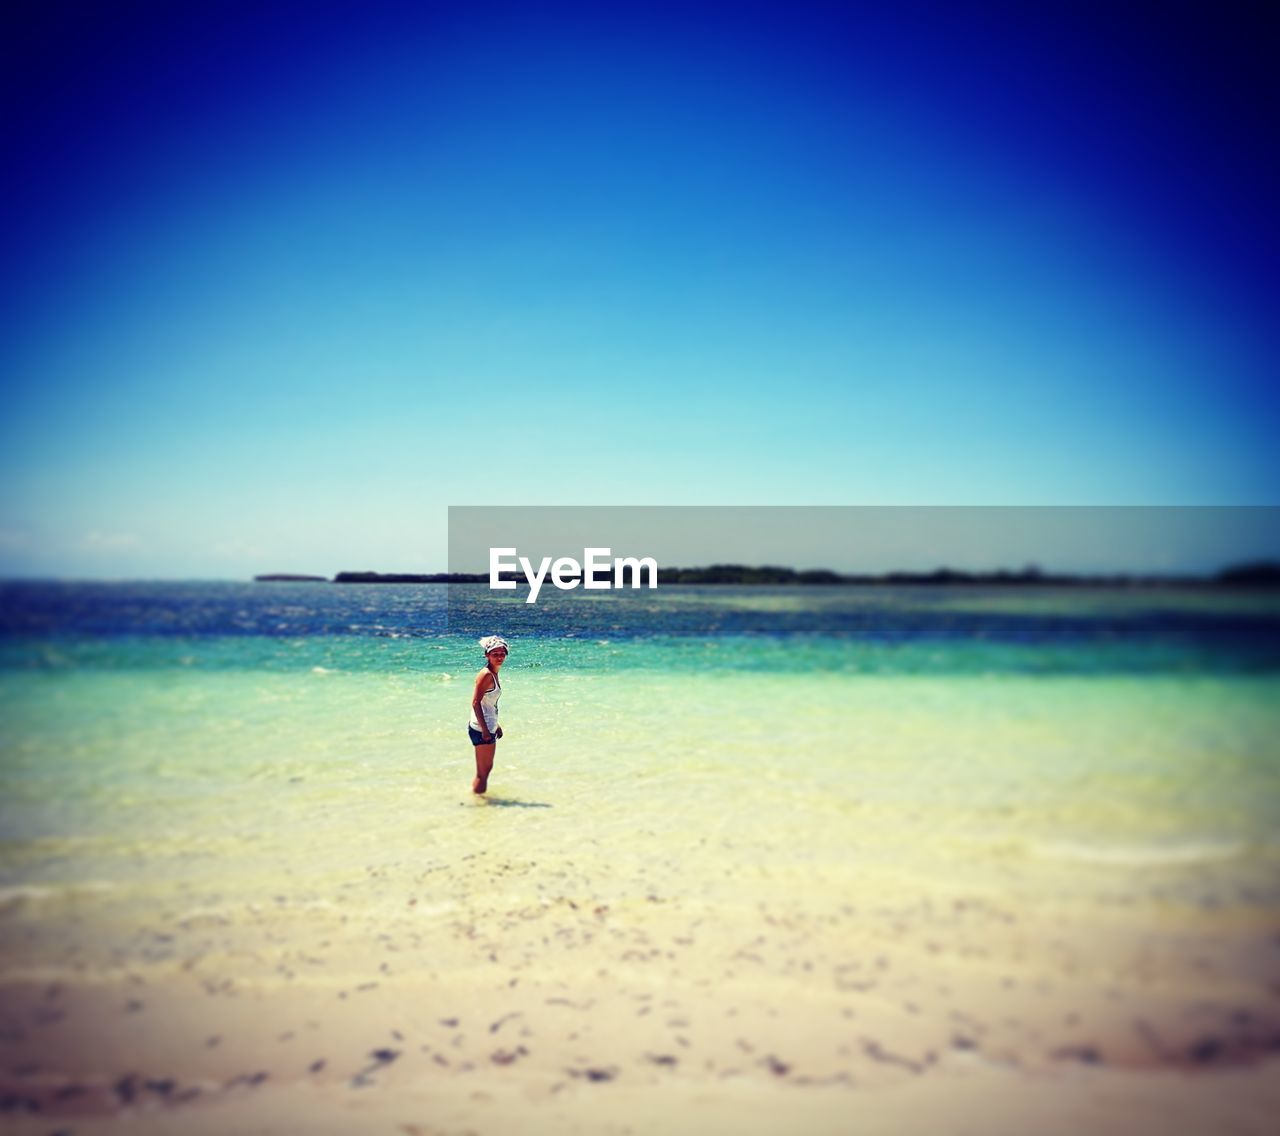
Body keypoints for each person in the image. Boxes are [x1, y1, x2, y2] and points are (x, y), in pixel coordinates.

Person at [468, 635, 507, 794]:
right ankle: (480, 806)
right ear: (487, 655)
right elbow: (476, 703)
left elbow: (488, 704)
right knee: (483, 773)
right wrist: (485, 730)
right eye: (494, 654)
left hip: (486, 727)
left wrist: (495, 725)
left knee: (486, 769)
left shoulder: (493, 673)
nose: (499, 657)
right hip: (481, 729)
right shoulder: (486, 675)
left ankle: (478, 801)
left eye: (502, 654)